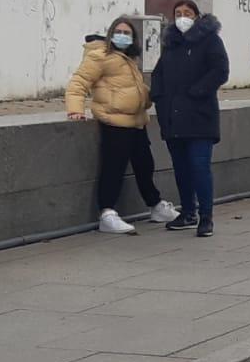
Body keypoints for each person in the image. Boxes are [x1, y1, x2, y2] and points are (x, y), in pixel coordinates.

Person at [66, 14, 180, 236]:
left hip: (136, 121)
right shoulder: (100, 56)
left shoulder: (129, 59)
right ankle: (107, 213)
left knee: (145, 165)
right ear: (111, 34)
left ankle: (155, 205)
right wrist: (75, 109)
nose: (122, 36)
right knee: (113, 168)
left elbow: (133, 89)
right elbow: (79, 82)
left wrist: (149, 98)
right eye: (118, 32)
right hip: (114, 121)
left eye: (127, 33)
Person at [149, 0, 228, 236]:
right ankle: (187, 213)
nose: (182, 17)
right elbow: (159, 75)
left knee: (199, 166)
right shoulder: (171, 44)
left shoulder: (210, 40)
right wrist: (159, 99)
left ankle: (206, 216)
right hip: (173, 118)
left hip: (200, 117)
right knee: (181, 168)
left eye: (187, 12)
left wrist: (197, 92)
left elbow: (220, 71)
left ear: (196, 16)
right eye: (178, 13)